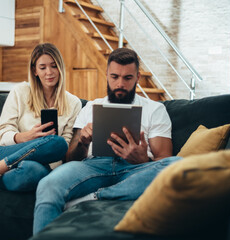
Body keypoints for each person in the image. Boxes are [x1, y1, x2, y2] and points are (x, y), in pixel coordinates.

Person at [33, 48, 182, 234]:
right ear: (106, 75)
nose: (120, 83)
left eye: (127, 78)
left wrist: (143, 159)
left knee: (178, 164)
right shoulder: (90, 107)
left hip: (136, 170)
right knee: (47, 184)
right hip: (93, 166)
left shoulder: (155, 109)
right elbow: (71, 159)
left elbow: (165, 159)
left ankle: (94, 197)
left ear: (138, 77)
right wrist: (83, 142)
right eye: (114, 77)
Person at [0, 43, 82, 218]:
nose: (49, 72)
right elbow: (2, 132)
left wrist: (42, 148)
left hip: (37, 165)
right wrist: (27, 137)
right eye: (43, 67)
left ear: (60, 67)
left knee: (52, 151)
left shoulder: (73, 103)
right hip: (1, 155)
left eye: (54, 66)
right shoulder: (20, 92)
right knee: (54, 144)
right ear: (35, 70)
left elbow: (63, 150)